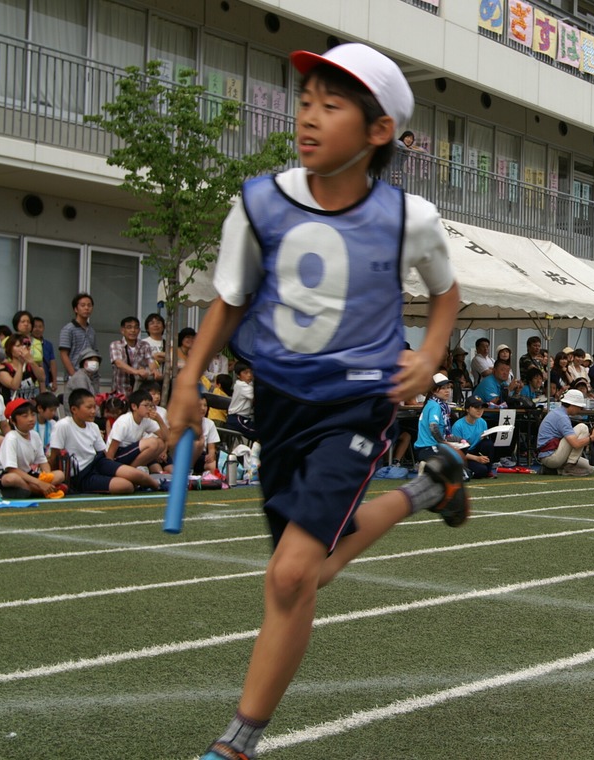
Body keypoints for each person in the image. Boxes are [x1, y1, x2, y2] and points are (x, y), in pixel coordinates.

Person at [164, 43, 467, 760]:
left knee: (293, 572)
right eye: (305, 101)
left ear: (377, 132)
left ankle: (236, 743)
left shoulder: (409, 218)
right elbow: (229, 301)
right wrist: (187, 379)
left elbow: (449, 293)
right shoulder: (258, 201)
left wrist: (427, 356)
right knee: (308, 573)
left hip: (358, 406)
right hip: (279, 405)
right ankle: (430, 488)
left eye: (332, 106)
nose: (308, 117)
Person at [51, 388, 160, 494]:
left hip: (99, 462)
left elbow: (104, 453)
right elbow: (54, 455)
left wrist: (112, 469)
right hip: (82, 474)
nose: (93, 411)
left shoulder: (93, 426)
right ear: (74, 409)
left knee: (135, 474)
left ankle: (158, 485)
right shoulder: (63, 425)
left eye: (94, 407)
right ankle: (150, 485)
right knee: (127, 486)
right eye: (89, 408)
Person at [0, 398, 65, 498]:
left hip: (29, 475)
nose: (31, 419)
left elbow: (43, 462)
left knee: (60, 474)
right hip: (10, 475)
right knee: (10, 479)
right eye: (25, 416)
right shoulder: (11, 437)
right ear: (13, 420)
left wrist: (47, 476)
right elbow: (12, 470)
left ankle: (34, 489)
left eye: (33, 415)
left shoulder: (34, 435)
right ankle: (39, 490)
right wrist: (39, 484)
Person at [536, 387, 594, 476]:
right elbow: (576, 444)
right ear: (572, 405)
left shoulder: (558, 413)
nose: (579, 410)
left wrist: (591, 438)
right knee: (583, 428)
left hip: (550, 455)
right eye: (579, 407)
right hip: (551, 456)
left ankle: (555, 471)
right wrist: (592, 438)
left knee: (590, 468)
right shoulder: (562, 417)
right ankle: (570, 465)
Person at [106, 389, 168, 471]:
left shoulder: (146, 419)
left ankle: (131, 469)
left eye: (151, 406)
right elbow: (111, 450)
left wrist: (160, 421)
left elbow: (165, 437)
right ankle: (129, 471)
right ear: (134, 406)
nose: (149, 409)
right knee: (153, 442)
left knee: (160, 444)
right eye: (146, 406)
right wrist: (109, 468)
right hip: (118, 455)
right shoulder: (124, 421)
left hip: (131, 452)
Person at [109, 316, 156, 397]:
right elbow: (118, 363)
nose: (133, 330)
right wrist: (137, 371)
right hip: (120, 392)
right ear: (122, 330)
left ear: (139, 330)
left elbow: (151, 362)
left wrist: (154, 370)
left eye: (136, 327)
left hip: (139, 390)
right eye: (129, 327)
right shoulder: (116, 344)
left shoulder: (144, 345)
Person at [414, 373, 456, 463]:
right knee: (461, 473)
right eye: (443, 388)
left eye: (448, 387)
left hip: (426, 449)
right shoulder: (435, 406)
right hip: (429, 448)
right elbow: (433, 427)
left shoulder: (436, 404)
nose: (447, 391)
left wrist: (458, 440)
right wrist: (443, 442)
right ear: (433, 390)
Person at [58, 293, 97, 385]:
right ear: (76, 309)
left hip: (90, 377)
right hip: (74, 376)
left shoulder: (92, 331)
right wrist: (74, 375)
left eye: (89, 305)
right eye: (83, 305)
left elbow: (94, 352)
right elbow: (64, 355)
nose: (86, 308)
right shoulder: (68, 329)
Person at [0, 334, 45, 403]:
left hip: (30, 408)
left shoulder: (32, 367)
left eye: (25, 345)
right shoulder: (4, 369)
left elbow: (42, 378)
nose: (22, 348)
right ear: (10, 349)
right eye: (18, 346)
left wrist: (31, 361)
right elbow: (14, 386)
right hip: (12, 410)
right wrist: (20, 364)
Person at [227, 362, 256, 440]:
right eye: (245, 373)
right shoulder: (241, 385)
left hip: (243, 418)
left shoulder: (249, 384)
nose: (249, 375)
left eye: (250, 372)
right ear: (238, 375)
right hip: (237, 419)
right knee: (260, 432)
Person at [31, 317, 58, 391]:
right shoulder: (27, 343)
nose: (37, 329)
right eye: (35, 326)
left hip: (45, 381)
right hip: (31, 382)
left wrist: (54, 381)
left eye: (40, 327)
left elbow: (52, 363)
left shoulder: (48, 344)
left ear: (43, 328)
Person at [142, 313, 168, 381]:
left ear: (163, 327)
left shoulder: (169, 343)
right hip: (148, 380)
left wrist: (157, 356)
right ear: (147, 328)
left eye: (158, 323)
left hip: (166, 380)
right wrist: (155, 357)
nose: (155, 325)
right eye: (152, 323)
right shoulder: (142, 343)